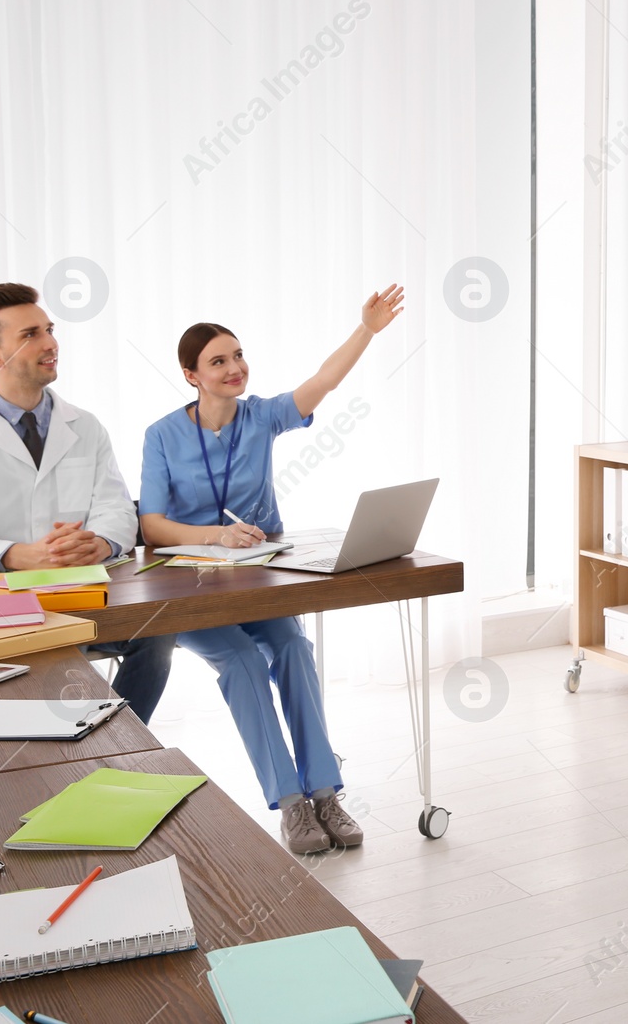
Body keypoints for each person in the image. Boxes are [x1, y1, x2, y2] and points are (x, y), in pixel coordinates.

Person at [139, 284, 404, 854]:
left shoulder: (260, 418)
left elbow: (323, 381)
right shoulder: (161, 435)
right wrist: (216, 535)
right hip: (190, 586)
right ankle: (291, 804)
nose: (235, 368)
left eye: (238, 355)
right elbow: (154, 526)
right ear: (191, 375)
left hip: (259, 581)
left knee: (293, 648)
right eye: (218, 361)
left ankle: (325, 791)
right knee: (238, 660)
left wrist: (367, 329)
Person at [0, 283, 176, 723]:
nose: (50, 343)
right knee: (49, 658)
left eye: (49, 329)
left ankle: (114, 738)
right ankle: (77, 745)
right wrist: (13, 554)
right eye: (30, 335)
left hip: (63, 594)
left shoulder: (85, 426)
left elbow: (118, 509)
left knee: (156, 634)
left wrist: (100, 543)